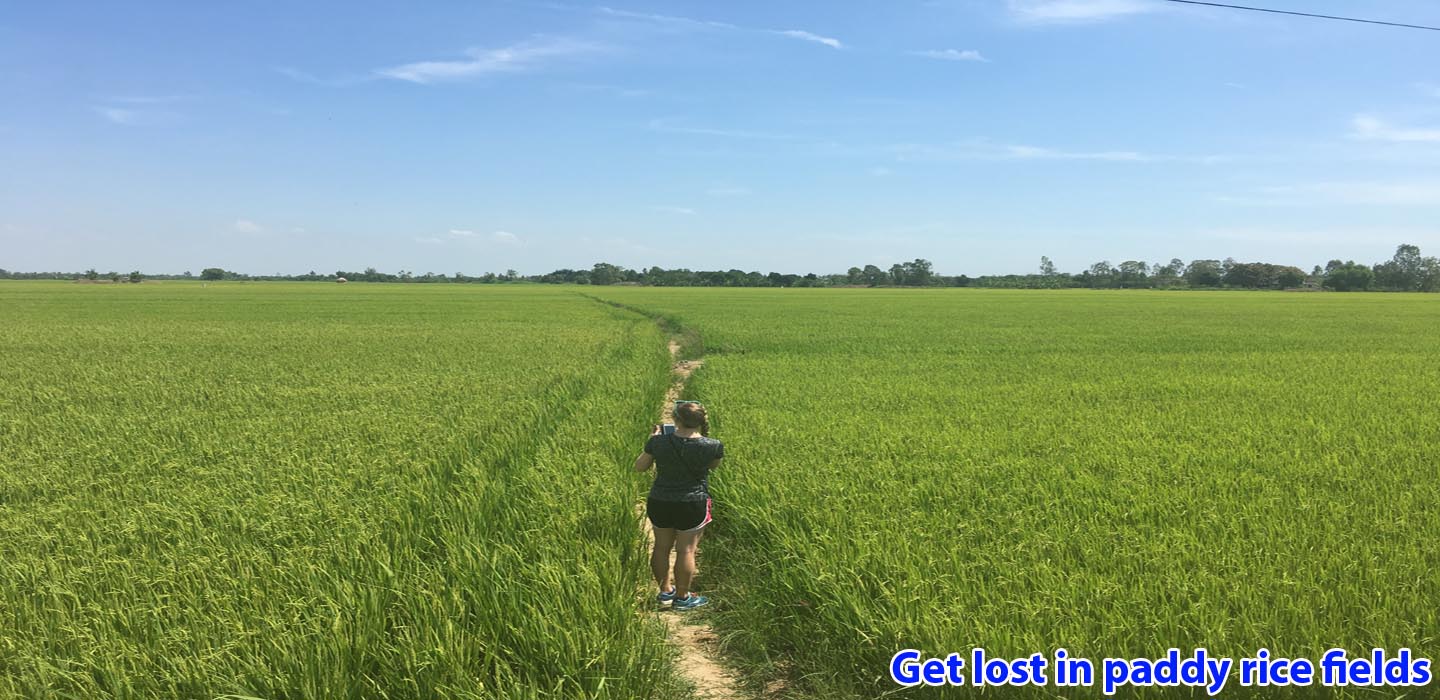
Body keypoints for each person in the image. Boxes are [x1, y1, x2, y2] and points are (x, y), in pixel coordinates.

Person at [633, 400, 724, 610]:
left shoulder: (658, 442)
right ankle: (683, 598)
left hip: (660, 501)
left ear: (676, 420)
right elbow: (713, 466)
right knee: (687, 551)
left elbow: (640, 467)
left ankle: (665, 592)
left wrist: (653, 441)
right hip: (693, 503)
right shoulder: (713, 445)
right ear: (700, 421)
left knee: (661, 547)